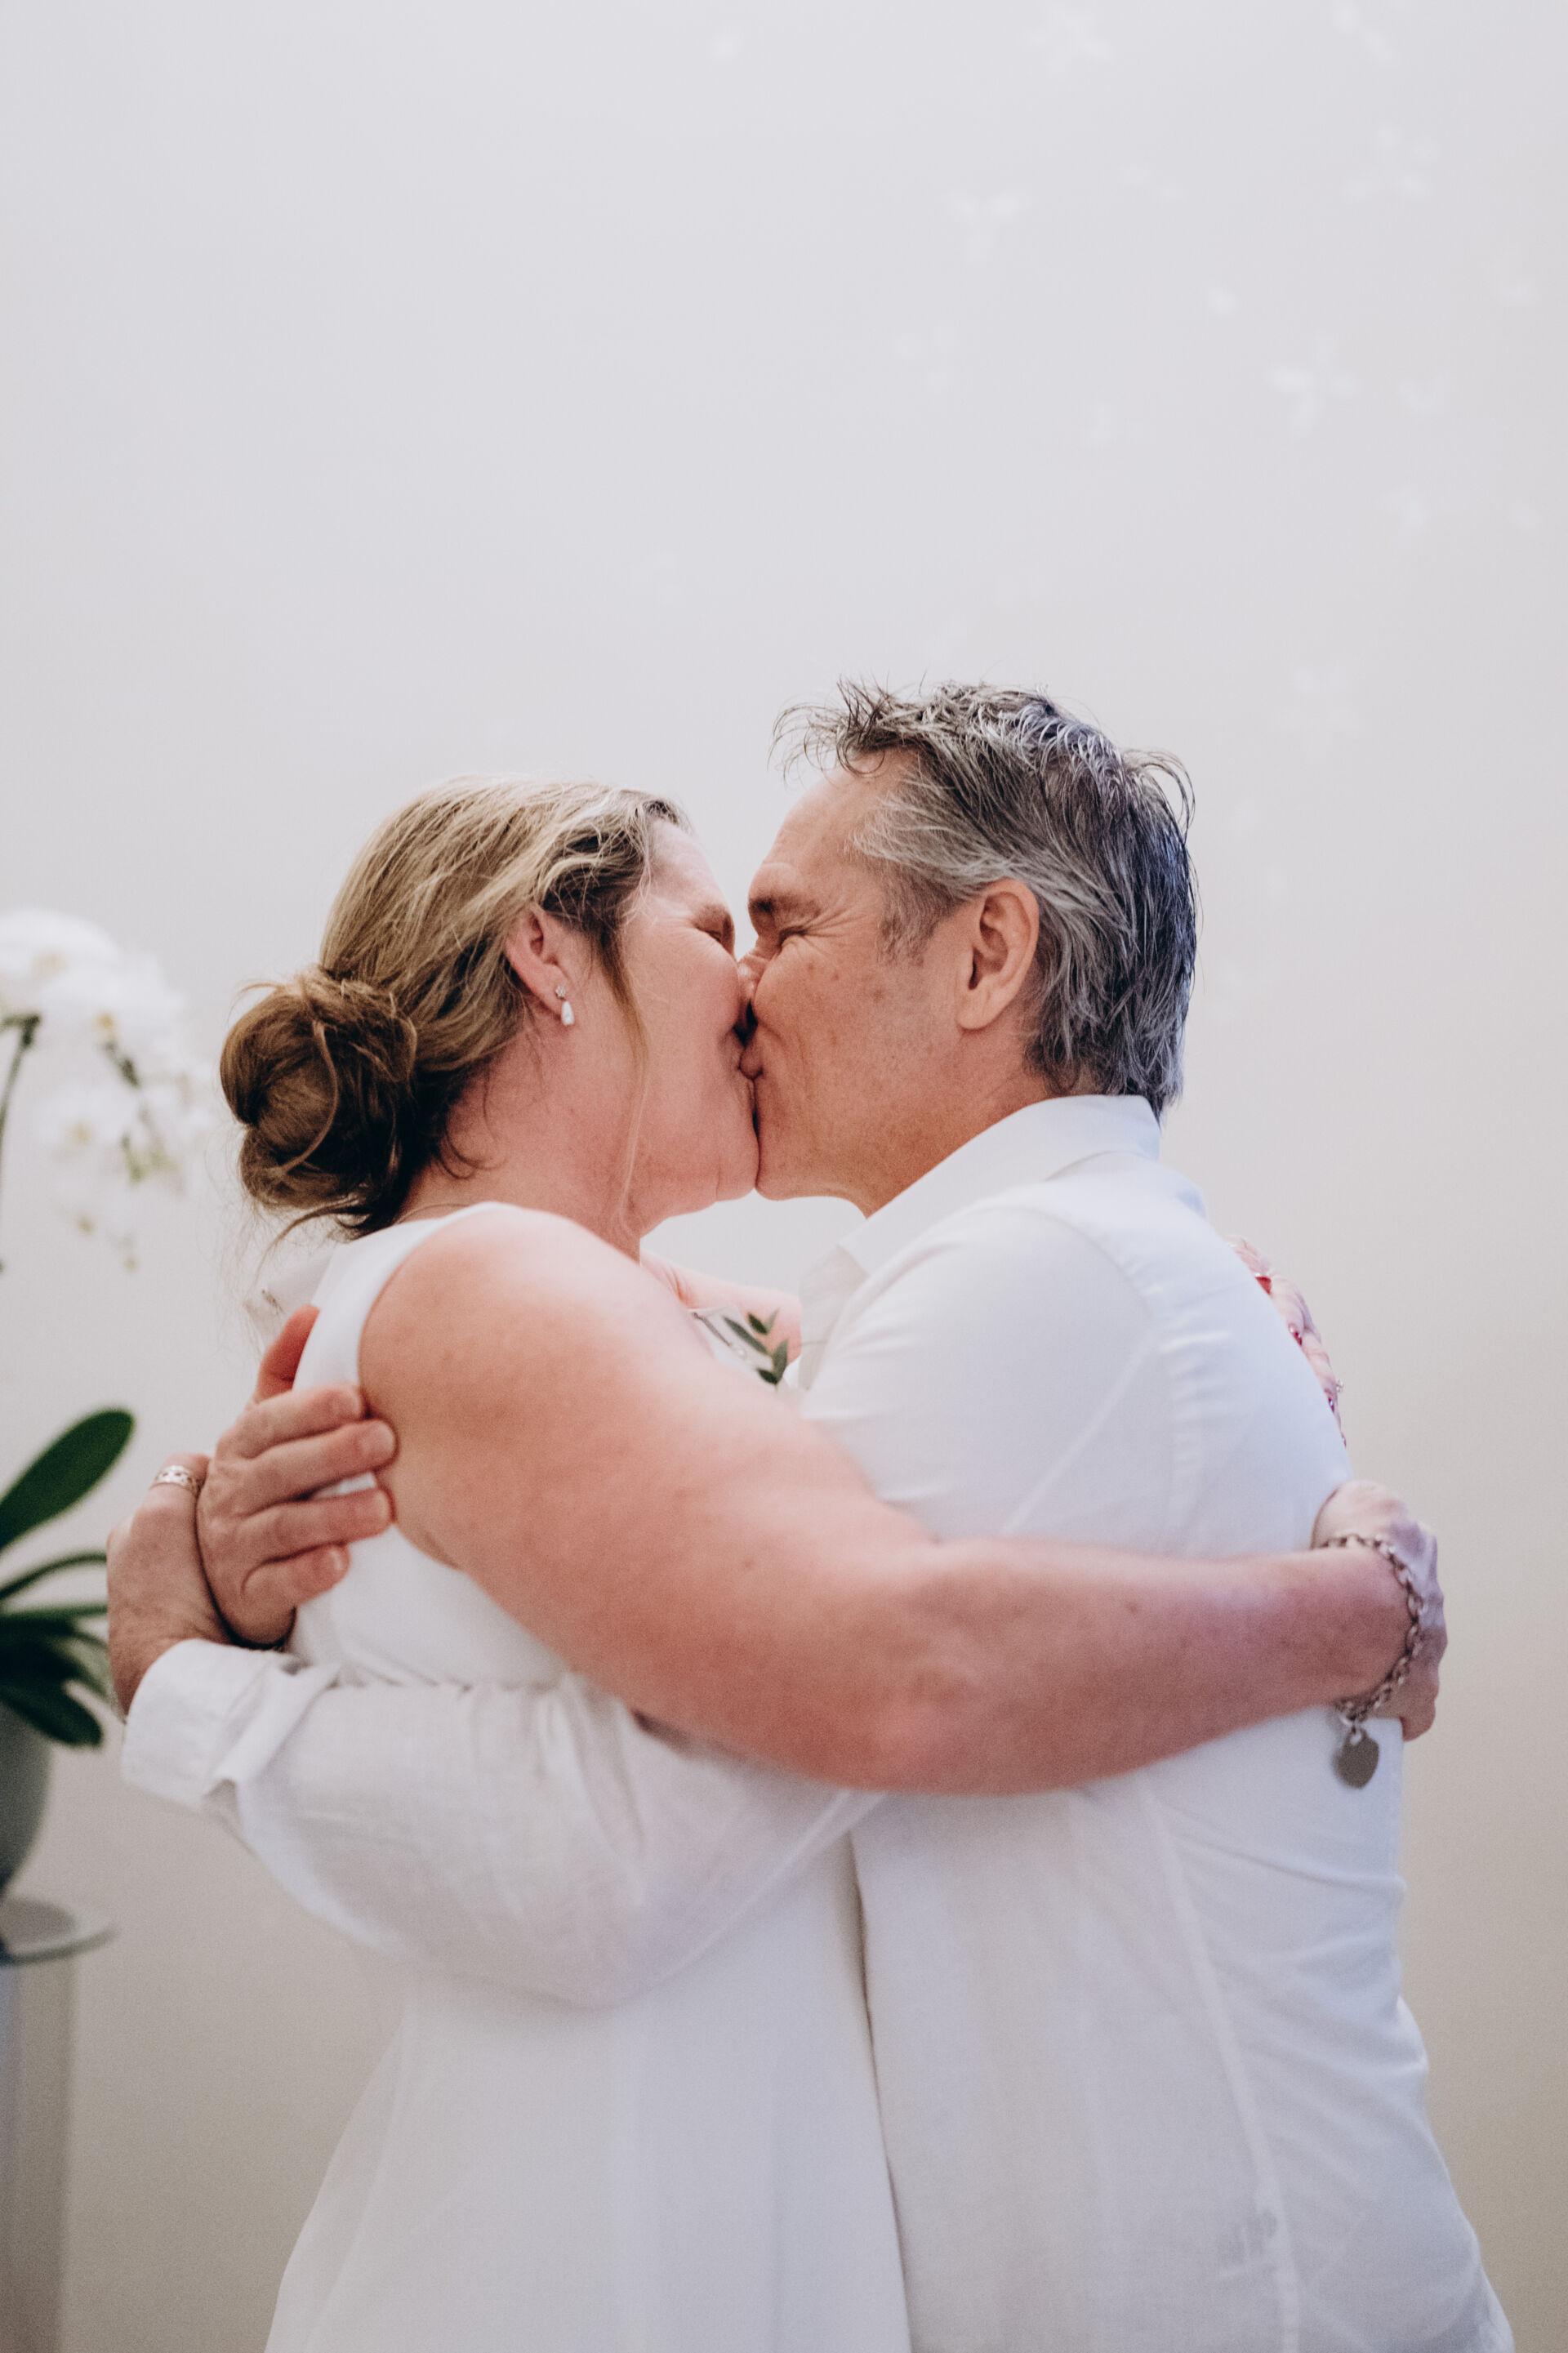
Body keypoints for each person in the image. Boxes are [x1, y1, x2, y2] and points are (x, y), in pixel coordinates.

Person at [109, 696, 1503, 2351]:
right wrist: (1353, 1612)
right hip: (600, 2247)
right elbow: (778, 1739)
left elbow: (834, 1404)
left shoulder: (847, 1298)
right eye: (722, 928)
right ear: (546, 950)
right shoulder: (506, 1280)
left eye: (777, 927)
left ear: (988, 957)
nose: (752, 985)